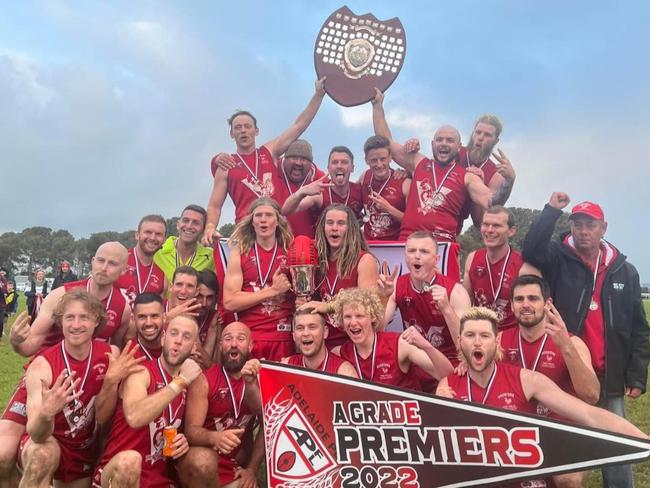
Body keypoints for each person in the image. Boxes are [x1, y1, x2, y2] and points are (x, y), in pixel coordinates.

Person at [522, 193, 650, 488]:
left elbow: (639, 328)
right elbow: (531, 250)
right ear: (571, 226)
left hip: (609, 372)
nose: (583, 231)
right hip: (566, 370)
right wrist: (551, 210)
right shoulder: (556, 258)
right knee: (564, 440)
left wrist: (636, 375)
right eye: (578, 224)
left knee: (616, 444)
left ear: (603, 228)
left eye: (590, 225)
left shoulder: (624, 270)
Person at [436, 307, 647, 486]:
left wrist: (645, 441)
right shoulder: (448, 385)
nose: (477, 343)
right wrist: (441, 412)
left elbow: (589, 414)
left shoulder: (526, 380)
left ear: (496, 342)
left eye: (485, 336)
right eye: (470, 335)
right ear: (459, 340)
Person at [371, 89, 513, 281]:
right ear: (432, 143)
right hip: (409, 242)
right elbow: (387, 142)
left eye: (449, 140)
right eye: (439, 140)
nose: (443, 144)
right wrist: (377, 105)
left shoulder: (467, 177)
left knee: (441, 304)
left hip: (442, 246)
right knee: (401, 300)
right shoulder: (419, 162)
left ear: (459, 146)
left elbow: (491, 201)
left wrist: (510, 180)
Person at [16, 289, 143, 488]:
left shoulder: (111, 355)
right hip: (50, 442)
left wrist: (110, 381)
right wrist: (46, 413)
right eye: (69, 318)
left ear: (96, 321)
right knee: (42, 454)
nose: (76, 325)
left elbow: (103, 417)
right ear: (60, 322)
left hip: (85, 449)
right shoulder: (42, 366)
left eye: (84, 317)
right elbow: (36, 434)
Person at [503, 274, 600, 488]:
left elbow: (592, 396)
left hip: (561, 429)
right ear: (511, 305)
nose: (525, 305)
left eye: (533, 298)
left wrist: (566, 347)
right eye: (519, 299)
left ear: (547, 304)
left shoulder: (572, 341)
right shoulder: (499, 341)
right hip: (513, 431)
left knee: (568, 479)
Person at [203, 79, 327, 243]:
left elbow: (298, 126)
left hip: (278, 226)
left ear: (257, 131)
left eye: (247, 126)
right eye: (238, 128)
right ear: (231, 134)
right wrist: (210, 227)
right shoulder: (226, 165)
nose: (243, 131)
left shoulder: (269, 151)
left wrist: (318, 95)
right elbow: (214, 205)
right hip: (247, 228)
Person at [92, 315, 203, 488]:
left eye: (186, 336)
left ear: (194, 347)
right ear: (163, 338)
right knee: (129, 461)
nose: (179, 341)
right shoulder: (141, 372)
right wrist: (179, 382)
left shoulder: (191, 382)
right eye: (174, 334)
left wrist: (183, 440)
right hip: (120, 473)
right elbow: (135, 417)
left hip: (157, 479)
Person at [179, 322, 263, 488]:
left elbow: (269, 424)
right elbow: (190, 431)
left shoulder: (259, 378)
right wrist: (215, 437)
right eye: (228, 338)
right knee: (202, 461)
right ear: (220, 345)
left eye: (240, 338)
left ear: (251, 345)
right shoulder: (204, 379)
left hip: (233, 462)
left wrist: (252, 469)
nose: (233, 344)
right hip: (201, 455)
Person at [10, 242, 131, 357]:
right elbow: (29, 347)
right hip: (48, 372)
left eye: (112, 263)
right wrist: (17, 342)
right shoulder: (60, 296)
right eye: (100, 260)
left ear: (124, 270)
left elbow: (113, 352)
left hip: (88, 374)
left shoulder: (123, 308)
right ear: (93, 261)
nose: (104, 268)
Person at [331, 288, 453, 390]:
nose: (353, 323)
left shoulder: (398, 344)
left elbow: (448, 375)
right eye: (347, 317)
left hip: (405, 415)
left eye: (359, 316)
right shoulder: (339, 353)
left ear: (373, 317)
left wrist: (427, 346)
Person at [382, 231, 471, 367]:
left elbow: (466, 345)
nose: (417, 256)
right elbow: (378, 327)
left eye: (424, 252)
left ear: (436, 259)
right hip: (414, 361)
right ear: (405, 256)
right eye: (412, 251)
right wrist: (383, 297)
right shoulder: (396, 285)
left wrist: (446, 309)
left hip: (447, 363)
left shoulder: (456, 291)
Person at [297, 204, 379, 348]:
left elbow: (368, 306)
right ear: (323, 228)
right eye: (330, 223)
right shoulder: (316, 259)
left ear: (350, 229)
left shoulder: (364, 260)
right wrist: (305, 303)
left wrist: (328, 306)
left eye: (341, 223)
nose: (335, 228)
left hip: (352, 343)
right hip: (321, 344)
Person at [223, 197, 294, 361]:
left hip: (282, 335)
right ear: (252, 222)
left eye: (269, 215)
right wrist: (272, 291)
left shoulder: (289, 250)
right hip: (249, 336)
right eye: (258, 215)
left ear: (277, 221)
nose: (263, 220)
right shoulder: (240, 252)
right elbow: (229, 302)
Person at [463, 206, 523, 331]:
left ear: (511, 231)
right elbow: (466, 302)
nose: (489, 230)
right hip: (481, 332)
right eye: (485, 224)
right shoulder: (472, 258)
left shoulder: (522, 264)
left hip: (511, 335)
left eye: (496, 225)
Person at [281, 146, 364, 222]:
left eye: (344, 162)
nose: (339, 166)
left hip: (353, 238)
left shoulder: (359, 191)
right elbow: (285, 211)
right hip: (324, 238)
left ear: (352, 168)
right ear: (328, 168)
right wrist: (301, 192)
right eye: (335, 162)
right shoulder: (320, 193)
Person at [359, 135, 410, 241]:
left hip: (394, 246)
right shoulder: (364, 177)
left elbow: (413, 222)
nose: (379, 164)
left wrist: (389, 209)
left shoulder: (404, 182)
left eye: (383, 159)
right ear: (366, 160)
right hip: (369, 247)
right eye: (373, 160)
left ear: (390, 157)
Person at [282, 309, 358, 377]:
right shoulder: (287, 367)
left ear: (325, 332)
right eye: (300, 328)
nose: (305, 333)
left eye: (312, 327)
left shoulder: (343, 372)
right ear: (294, 335)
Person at [154, 205, 215, 285]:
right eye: (185, 220)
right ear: (178, 224)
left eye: (195, 223)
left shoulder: (211, 257)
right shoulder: (157, 251)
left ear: (203, 229)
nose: (189, 226)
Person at [117, 214, 167, 303]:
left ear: (164, 240)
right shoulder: (117, 261)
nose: (152, 238)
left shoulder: (162, 277)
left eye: (158, 234)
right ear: (137, 235)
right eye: (148, 232)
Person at [131, 293, 166, 360]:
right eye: (142, 317)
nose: (148, 323)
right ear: (133, 319)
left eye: (154, 316)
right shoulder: (130, 358)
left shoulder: (177, 340)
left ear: (164, 318)